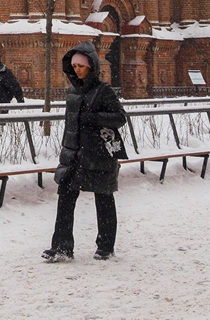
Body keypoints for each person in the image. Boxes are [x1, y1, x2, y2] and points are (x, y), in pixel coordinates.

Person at [43, 42, 128, 263]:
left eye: (81, 66)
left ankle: (105, 246)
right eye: (74, 66)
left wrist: (94, 118)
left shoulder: (104, 90)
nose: (77, 70)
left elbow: (120, 118)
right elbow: (70, 125)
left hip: (99, 154)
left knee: (104, 199)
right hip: (74, 155)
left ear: (91, 66)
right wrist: (66, 151)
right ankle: (61, 247)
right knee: (66, 198)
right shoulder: (72, 92)